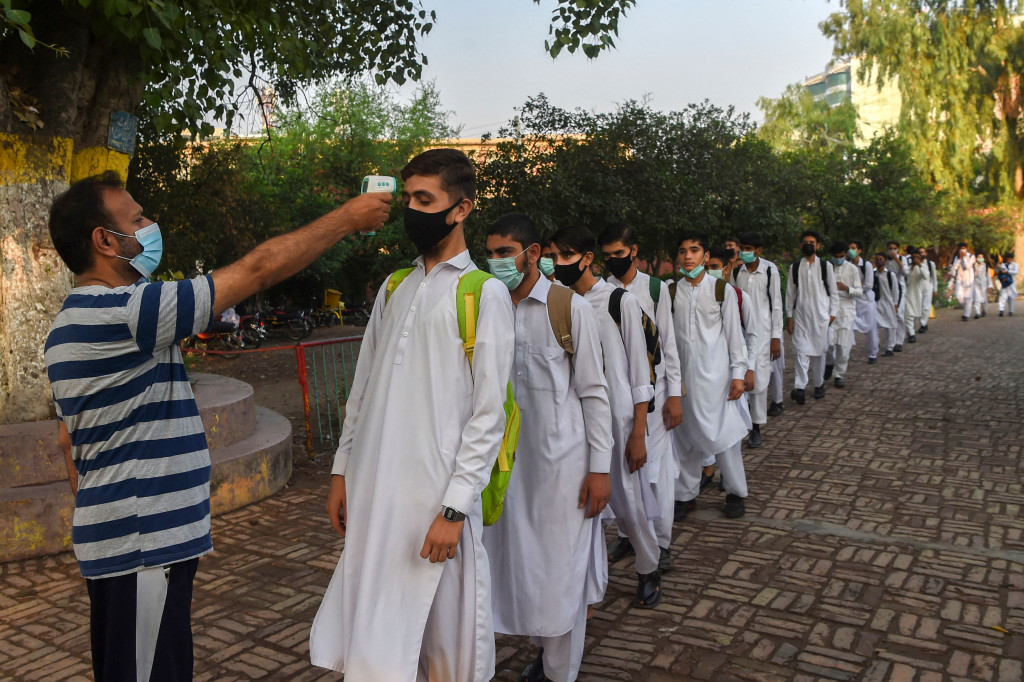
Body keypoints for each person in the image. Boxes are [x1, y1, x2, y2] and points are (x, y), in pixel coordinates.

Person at [44, 172, 390, 682]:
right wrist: (347, 218)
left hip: (133, 546)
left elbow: (66, 439)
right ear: (104, 240)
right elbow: (258, 269)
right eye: (137, 220)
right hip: (143, 550)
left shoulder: (68, 327)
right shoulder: (126, 313)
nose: (150, 226)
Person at [310, 149, 515, 681]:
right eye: (408, 199)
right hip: (378, 499)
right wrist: (341, 470)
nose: (411, 211)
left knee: (448, 657)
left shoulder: (485, 294)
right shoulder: (393, 287)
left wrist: (453, 511)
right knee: (376, 644)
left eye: (425, 200)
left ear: (461, 208)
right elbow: (363, 389)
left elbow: (488, 415)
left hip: (438, 508)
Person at [481, 214, 612, 682]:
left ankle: (561, 673)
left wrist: (600, 468)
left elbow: (595, 392)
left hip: (563, 470)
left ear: (532, 253)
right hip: (504, 472)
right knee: (511, 568)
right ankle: (541, 651)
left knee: (561, 574)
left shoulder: (568, 308)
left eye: (504, 252)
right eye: (491, 253)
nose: (496, 262)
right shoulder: (485, 306)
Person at [549, 225, 663, 608]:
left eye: (566, 256)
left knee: (630, 502)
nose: (558, 264)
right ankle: (587, 584)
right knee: (582, 504)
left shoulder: (618, 302)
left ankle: (649, 567)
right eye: (553, 257)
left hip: (619, 421)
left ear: (586, 259)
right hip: (576, 423)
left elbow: (641, 369)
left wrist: (638, 431)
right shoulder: (558, 303)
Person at [599, 223, 683, 572]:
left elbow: (668, 341)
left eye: (619, 254)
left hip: (657, 390)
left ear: (633, 251)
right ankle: (629, 534)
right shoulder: (600, 291)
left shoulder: (654, 287)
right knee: (623, 470)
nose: (614, 261)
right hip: (620, 394)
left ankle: (661, 543)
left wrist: (675, 393)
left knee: (655, 472)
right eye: (607, 256)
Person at [672, 230, 751, 520]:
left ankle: (735, 492)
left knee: (724, 438)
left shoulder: (722, 291)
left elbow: (735, 337)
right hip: (682, 382)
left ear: (706, 257)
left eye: (694, 250)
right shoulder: (671, 291)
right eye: (683, 250)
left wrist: (738, 374)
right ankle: (685, 495)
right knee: (684, 438)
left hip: (716, 381)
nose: (688, 256)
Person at [733, 232, 783, 447]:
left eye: (748, 248)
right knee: (740, 375)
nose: (744, 252)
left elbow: (777, 304)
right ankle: (740, 426)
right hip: (742, 332)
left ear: (758, 251)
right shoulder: (738, 271)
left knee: (759, 381)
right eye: (741, 248)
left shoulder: (770, 270)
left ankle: (757, 427)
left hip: (763, 333)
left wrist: (776, 337)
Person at [785, 230, 838, 404]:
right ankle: (800, 387)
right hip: (801, 315)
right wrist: (790, 317)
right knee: (801, 350)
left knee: (819, 352)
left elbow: (834, 293)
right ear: (801, 245)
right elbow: (790, 294)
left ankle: (819, 384)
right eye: (805, 242)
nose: (809, 245)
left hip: (821, 316)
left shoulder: (825, 266)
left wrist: (832, 314)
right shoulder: (794, 267)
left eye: (812, 242)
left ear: (818, 245)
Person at [825, 240, 862, 388]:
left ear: (846, 255)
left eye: (841, 256)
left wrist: (847, 288)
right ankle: (829, 363)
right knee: (828, 342)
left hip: (847, 309)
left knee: (843, 345)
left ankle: (839, 374)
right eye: (836, 256)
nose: (838, 258)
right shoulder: (827, 267)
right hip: (829, 309)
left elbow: (859, 291)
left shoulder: (852, 269)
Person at [848, 241, 879, 364]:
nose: (851, 250)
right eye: (849, 248)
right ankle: (845, 353)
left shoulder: (867, 265)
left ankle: (872, 353)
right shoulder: (847, 265)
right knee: (848, 327)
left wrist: (852, 287)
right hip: (852, 300)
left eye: (853, 248)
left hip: (866, 301)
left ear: (859, 250)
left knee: (871, 329)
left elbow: (868, 285)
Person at [874, 253, 901, 357]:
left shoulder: (890, 275)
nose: (879, 261)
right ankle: (876, 345)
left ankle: (890, 347)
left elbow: (895, 290)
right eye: (877, 259)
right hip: (877, 303)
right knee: (875, 325)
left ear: (885, 261)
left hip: (888, 303)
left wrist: (895, 303)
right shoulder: (873, 274)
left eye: (881, 259)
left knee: (890, 325)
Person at [903, 248, 928, 343]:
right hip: (907, 293)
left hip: (917, 294)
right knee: (908, 315)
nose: (916, 259)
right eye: (914, 257)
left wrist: (920, 265)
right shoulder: (908, 267)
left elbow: (926, 276)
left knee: (915, 316)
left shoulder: (923, 267)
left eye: (918, 257)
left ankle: (911, 330)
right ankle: (912, 334)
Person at [951, 243, 976, 322]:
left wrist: (964, 257)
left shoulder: (972, 256)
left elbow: (967, 266)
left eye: (964, 248)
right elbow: (954, 267)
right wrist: (960, 258)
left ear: (967, 248)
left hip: (969, 280)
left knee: (968, 298)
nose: (963, 250)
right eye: (961, 248)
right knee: (959, 297)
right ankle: (966, 308)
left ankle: (966, 315)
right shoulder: (957, 257)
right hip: (960, 279)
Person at [917, 247, 938, 333]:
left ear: (926, 253)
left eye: (922, 252)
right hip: (918, 287)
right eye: (919, 252)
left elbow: (934, 277)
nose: (921, 254)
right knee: (919, 306)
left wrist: (935, 289)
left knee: (926, 306)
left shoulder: (930, 264)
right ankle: (921, 321)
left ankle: (923, 324)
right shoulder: (914, 264)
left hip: (928, 286)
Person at [973, 252, 992, 318]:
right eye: (979, 257)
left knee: (984, 298)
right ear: (976, 258)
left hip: (984, 283)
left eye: (982, 257)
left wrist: (990, 286)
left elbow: (988, 276)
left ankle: (984, 310)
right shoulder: (973, 265)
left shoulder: (985, 266)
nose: (980, 259)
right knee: (977, 298)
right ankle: (977, 312)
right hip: (976, 282)